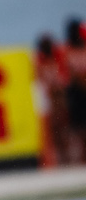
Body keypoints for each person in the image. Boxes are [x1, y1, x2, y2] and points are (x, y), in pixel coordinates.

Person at [33, 33, 70, 166]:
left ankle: (65, 156)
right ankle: (57, 158)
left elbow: (64, 77)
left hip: (59, 95)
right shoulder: (39, 60)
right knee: (53, 129)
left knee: (63, 127)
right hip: (49, 98)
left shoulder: (58, 55)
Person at [63, 17, 86, 164]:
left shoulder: (70, 50)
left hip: (78, 91)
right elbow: (71, 74)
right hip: (76, 92)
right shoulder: (67, 50)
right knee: (78, 128)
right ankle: (81, 158)